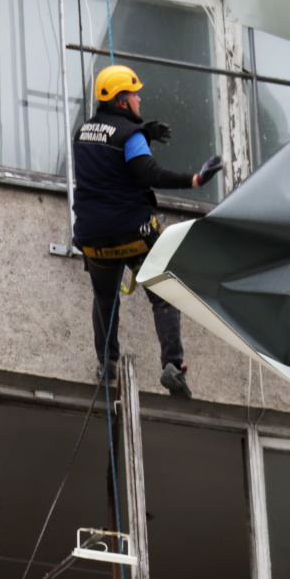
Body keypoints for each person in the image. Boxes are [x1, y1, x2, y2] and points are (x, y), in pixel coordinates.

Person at [72, 64, 222, 398]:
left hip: (93, 240)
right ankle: (172, 364)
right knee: (164, 294)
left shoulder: (82, 133)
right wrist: (194, 180)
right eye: (134, 94)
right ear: (122, 101)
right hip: (133, 235)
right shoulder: (132, 137)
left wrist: (145, 131)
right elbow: (147, 172)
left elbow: (108, 148)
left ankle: (106, 363)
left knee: (105, 299)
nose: (140, 98)